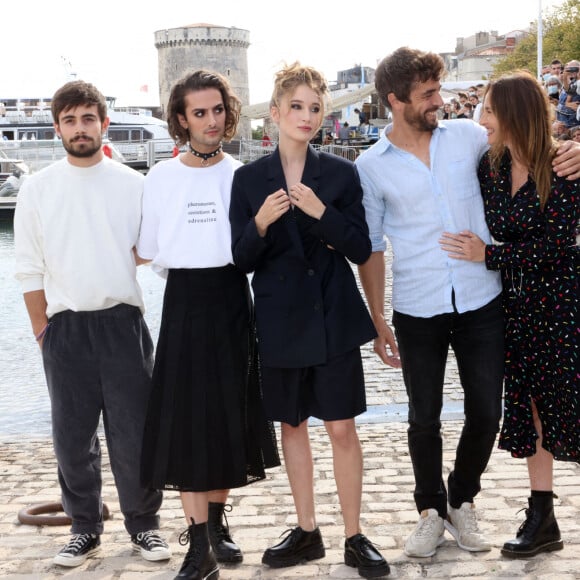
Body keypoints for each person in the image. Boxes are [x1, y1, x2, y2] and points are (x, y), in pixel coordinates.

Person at [355, 47, 580, 560]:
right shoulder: (370, 166)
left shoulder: (470, 139)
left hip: (485, 301)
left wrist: (578, 151)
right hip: (417, 304)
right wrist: (376, 317)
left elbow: (535, 140)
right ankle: (431, 513)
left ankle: (462, 498)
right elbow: (369, 245)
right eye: (429, 94)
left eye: (439, 91)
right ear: (396, 100)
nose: (441, 102)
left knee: (486, 412)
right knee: (423, 418)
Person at [229, 62, 390, 579]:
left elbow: (362, 247)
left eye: (315, 108)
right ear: (274, 114)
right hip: (278, 320)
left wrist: (323, 213)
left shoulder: (341, 174)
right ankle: (306, 530)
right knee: (292, 425)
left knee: (342, 428)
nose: (306, 116)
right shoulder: (249, 178)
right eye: (295, 106)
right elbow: (240, 259)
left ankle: (353, 535)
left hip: (334, 316)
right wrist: (259, 222)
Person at [13, 80, 170, 568]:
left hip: (122, 322)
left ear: (103, 124)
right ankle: (84, 529)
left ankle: (144, 526)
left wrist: (107, 260)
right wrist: (43, 331)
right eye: (69, 120)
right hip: (65, 329)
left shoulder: (133, 184)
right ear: (57, 126)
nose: (79, 129)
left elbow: (150, 248)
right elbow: (28, 267)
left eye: (88, 119)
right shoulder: (38, 188)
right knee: (71, 437)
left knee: (134, 433)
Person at [136, 69, 280, 580]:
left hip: (231, 300)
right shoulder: (159, 177)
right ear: (181, 119)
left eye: (218, 110)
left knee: (226, 414)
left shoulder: (241, 174)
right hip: (183, 302)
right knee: (184, 420)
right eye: (200, 112)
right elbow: (150, 249)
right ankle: (199, 549)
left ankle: (215, 526)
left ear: (229, 111)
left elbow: (252, 248)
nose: (211, 120)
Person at [440, 70, 579, 558]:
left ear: (516, 114)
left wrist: (489, 256)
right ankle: (543, 516)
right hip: (514, 308)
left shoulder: (561, 165)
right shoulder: (490, 167)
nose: (482, 119)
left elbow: (558, 248)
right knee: (534, 410)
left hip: (562, 305)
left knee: (570, 407)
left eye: (492, 111)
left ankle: (544, 516)